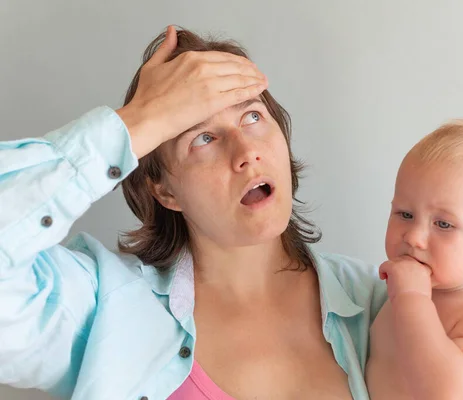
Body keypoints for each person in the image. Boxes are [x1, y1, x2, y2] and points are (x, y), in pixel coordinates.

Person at [0, 26, 386, 399]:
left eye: (252, 116)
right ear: (165, 190)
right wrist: (140, 120)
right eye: (203, 138)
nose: (245, 152)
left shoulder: (383, 302)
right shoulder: (105, 310)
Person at [365, 120, 463, 399]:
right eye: (405, 214)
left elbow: (444, 393)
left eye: (443, 225)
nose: (414, 237)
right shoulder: (394, 293)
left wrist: (412, 299)